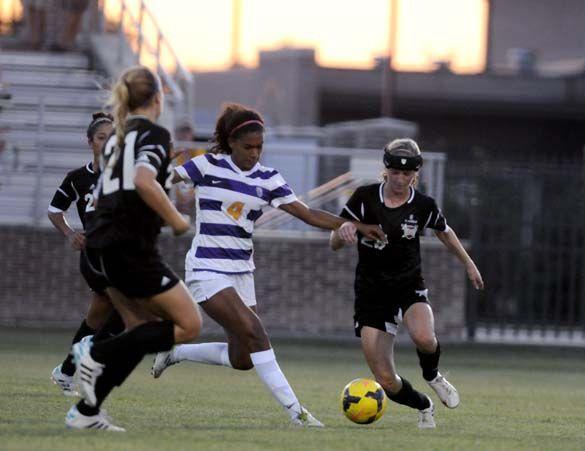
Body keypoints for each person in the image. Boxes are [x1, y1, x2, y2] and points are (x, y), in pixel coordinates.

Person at [150, 103, 386, 427]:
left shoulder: (269, 178)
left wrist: (357, 227)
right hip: (207, 269)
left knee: (243, 359)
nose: (254, 153)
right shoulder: (205, 165)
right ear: (231, 142)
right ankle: (298, 414)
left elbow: (309, 214)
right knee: (258, 333)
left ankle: (176, 353)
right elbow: (158, 180)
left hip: (242, 272)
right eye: (248, 147)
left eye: (260, 147)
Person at [65, 66, 202, 431]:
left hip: (98, 245)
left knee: (139, 327)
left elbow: (126, 181)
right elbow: (142, 179)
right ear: (159, 98)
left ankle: (86, 413)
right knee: (189, 325)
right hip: (130, 249)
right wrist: (176, 219)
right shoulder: (155, 133)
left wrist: (169, 179)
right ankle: (93, 352)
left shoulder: (116, 137)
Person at [329, 138, 484, 429]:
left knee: (425, 338)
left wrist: (468, 262)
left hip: (407, 284)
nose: (400, 179)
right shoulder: (363, 197)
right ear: (385, 170)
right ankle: (423, 405)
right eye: (395, 173)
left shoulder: (424, 205)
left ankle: (433, 376)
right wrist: (343, 230)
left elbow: (445, 232)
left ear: (416, 174)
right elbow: (334, 243)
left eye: (407, 174)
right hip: (371, 292)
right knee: (385, 380)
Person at [48, 112, 125, 396]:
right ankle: (90, 353)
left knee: (98, 315)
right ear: (90, 142)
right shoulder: (77, 179)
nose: (106, 143)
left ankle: (67, 371)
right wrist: (70, 233)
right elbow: (55, 210)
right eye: (101, 138)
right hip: (97, 254)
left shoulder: (124, 176)